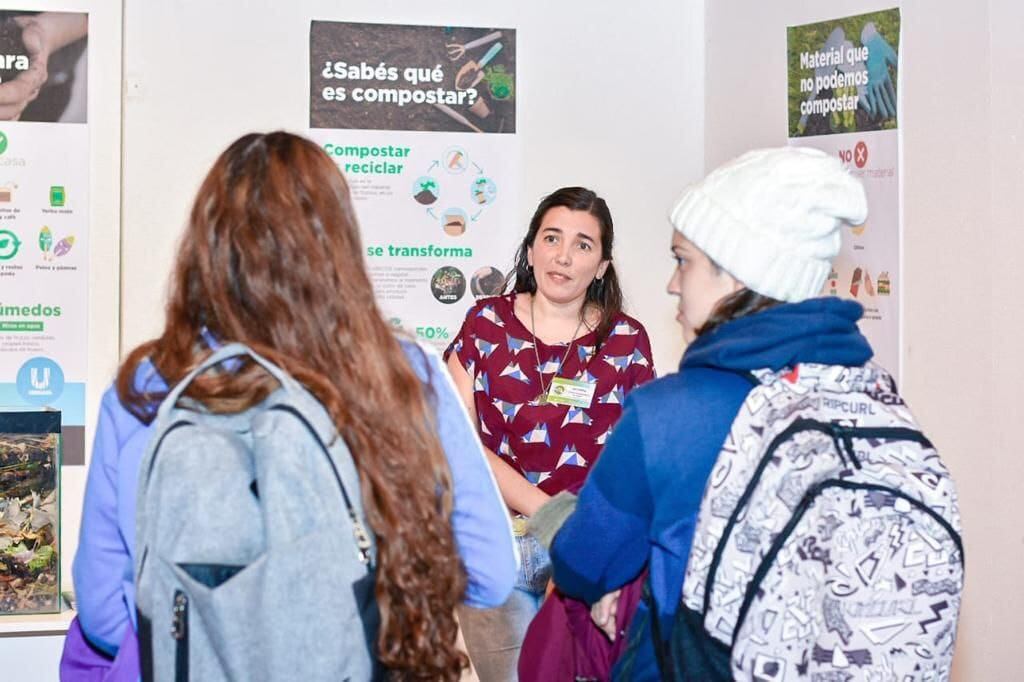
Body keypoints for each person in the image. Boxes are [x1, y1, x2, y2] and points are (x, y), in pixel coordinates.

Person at [65, 131, 515, 681]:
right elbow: (491, 571)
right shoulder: (403, 374)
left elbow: (104, 612)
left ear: (206, 244)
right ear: (339, 244)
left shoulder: (149, 385)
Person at [545, 147, 878, 679]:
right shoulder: (870, 396)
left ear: (736, 274)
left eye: (684, 260)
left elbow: (584, 561)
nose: (673, 283)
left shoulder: (672, 415)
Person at [445, 186, 655, 680]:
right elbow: (456, 442)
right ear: (532, 246)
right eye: (552, 237)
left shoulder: (626, 340)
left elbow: (634, 460)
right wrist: (547, 512)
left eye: (583, 244)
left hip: (588, 547)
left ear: (602, 265)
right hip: (495, 546)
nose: (563, 256)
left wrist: (590, 538)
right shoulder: (484, 324)